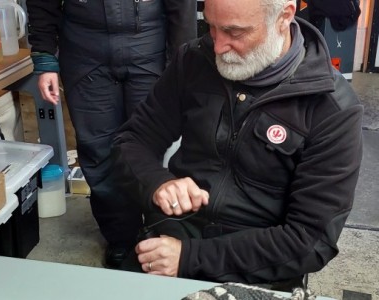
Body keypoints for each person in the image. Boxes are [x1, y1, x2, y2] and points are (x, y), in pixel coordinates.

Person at [110, 0, 364, 291]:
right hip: (171, 235)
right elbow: (131, 141)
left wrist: (190, 257)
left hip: (258, 266)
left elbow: (311, 240)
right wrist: (157, 182)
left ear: (284, 17)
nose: (218, 46)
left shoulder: (331, 108)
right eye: (211, 27)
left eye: (235, 32)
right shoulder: (194, 60)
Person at [25, 0, 197, 268]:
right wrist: (45, 58)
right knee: (99, 151)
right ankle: (122, 237)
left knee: (153, 147)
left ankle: (159, 230)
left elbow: (182, 6)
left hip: (149, 47)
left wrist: (183, 61)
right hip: (85, 52)